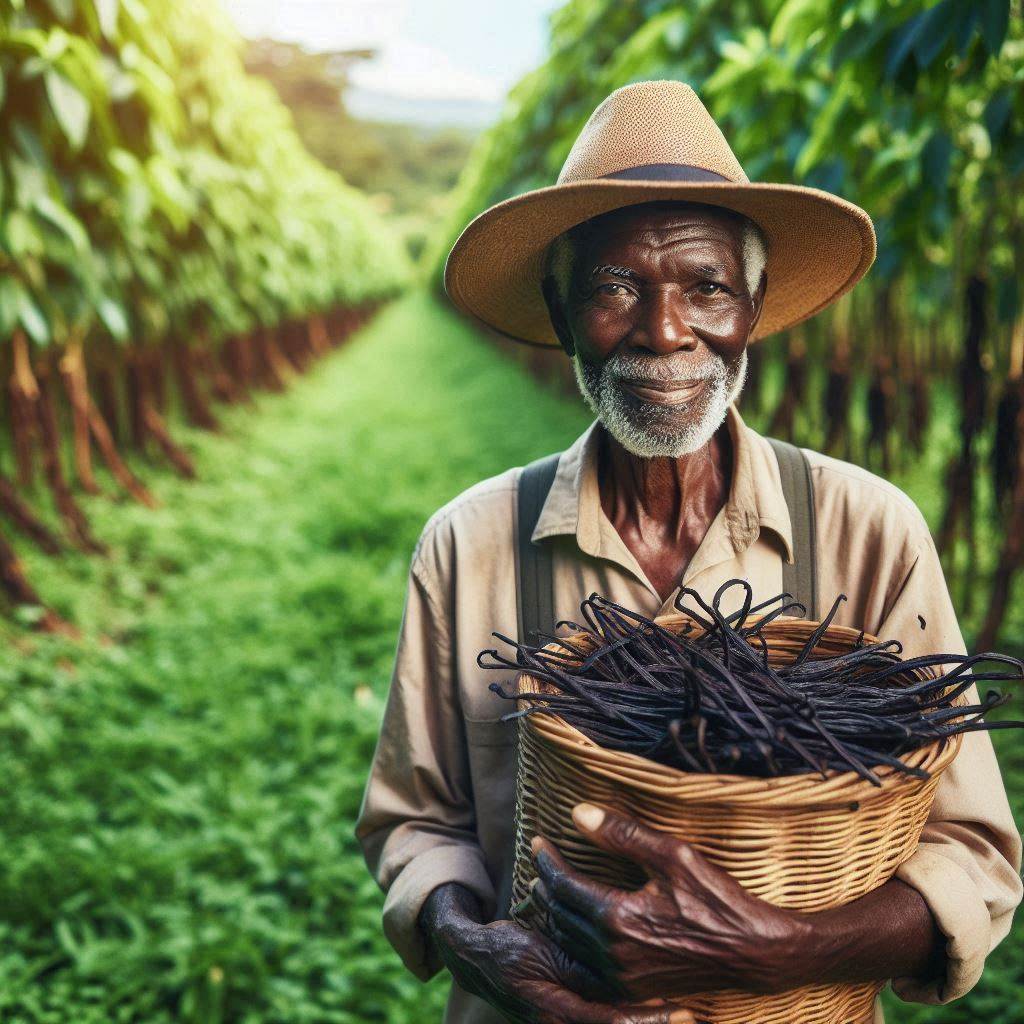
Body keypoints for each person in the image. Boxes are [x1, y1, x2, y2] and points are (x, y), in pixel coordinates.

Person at [355, 80, 1022, 1024]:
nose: (665, 332)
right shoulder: (470, 544)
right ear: (559, 310)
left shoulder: (870, 529)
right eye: (614, 287)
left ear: (752, 306)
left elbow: (973, 857)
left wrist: (779, 946)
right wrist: (489, 953)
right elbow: (416, 824)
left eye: (706, 287)